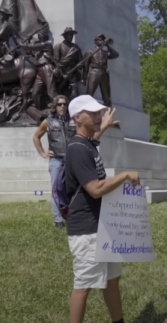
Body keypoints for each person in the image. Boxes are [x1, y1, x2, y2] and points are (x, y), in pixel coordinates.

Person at [61, 94, 148, 323]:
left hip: (102, 226)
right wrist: (123, 176)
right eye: (93, 113)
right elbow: (95, 189)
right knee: (84, 285)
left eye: (100, 112)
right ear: (77, 117)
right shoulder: (76, 148)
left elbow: (92, 144)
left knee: (111, 279)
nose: (98, 116)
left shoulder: (86, 144)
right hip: (86, 228)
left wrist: (104, 128)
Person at [32, 95, 119, 230]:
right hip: (57, 159)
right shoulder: (48, 122)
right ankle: (58, 220)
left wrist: (103, 127)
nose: (62, 106)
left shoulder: (73, 122)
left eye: (64, 104)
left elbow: (90, 140)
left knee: (79, 190)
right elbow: (36, 136)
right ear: (54, 107)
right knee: (58, 190)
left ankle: (75, 216)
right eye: (59, 104)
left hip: (75, 159)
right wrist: (43, 153)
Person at [82, 34, 119, 108]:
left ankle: (108, 112)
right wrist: (84, 78)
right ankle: (85, 109)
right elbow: (85, 66)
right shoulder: (90, 52)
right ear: (96, 41)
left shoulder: (105, 53)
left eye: (103, 39)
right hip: (94, 72)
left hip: (104, 73)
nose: (102, 41)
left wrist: (107, 45)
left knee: (107, 96)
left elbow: (116, 55)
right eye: (100, 39)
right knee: (89, 94)